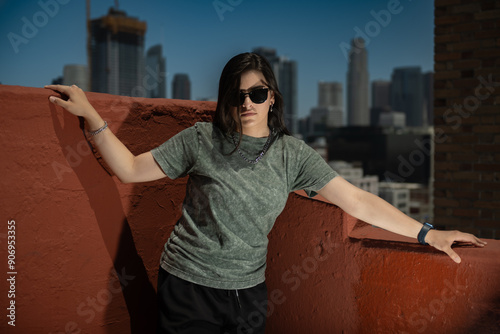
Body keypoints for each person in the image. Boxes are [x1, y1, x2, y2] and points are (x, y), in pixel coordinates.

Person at [45, 52, 486, 334]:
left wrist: (428, 233)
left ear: (272, 97)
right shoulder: (200, 140)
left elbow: (356, 200)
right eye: (237, 96)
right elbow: (128, 169)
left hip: (249, 295)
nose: (247, 103)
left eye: (257, 93)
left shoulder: (291, 155)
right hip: (188, 288)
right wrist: (90, 115)